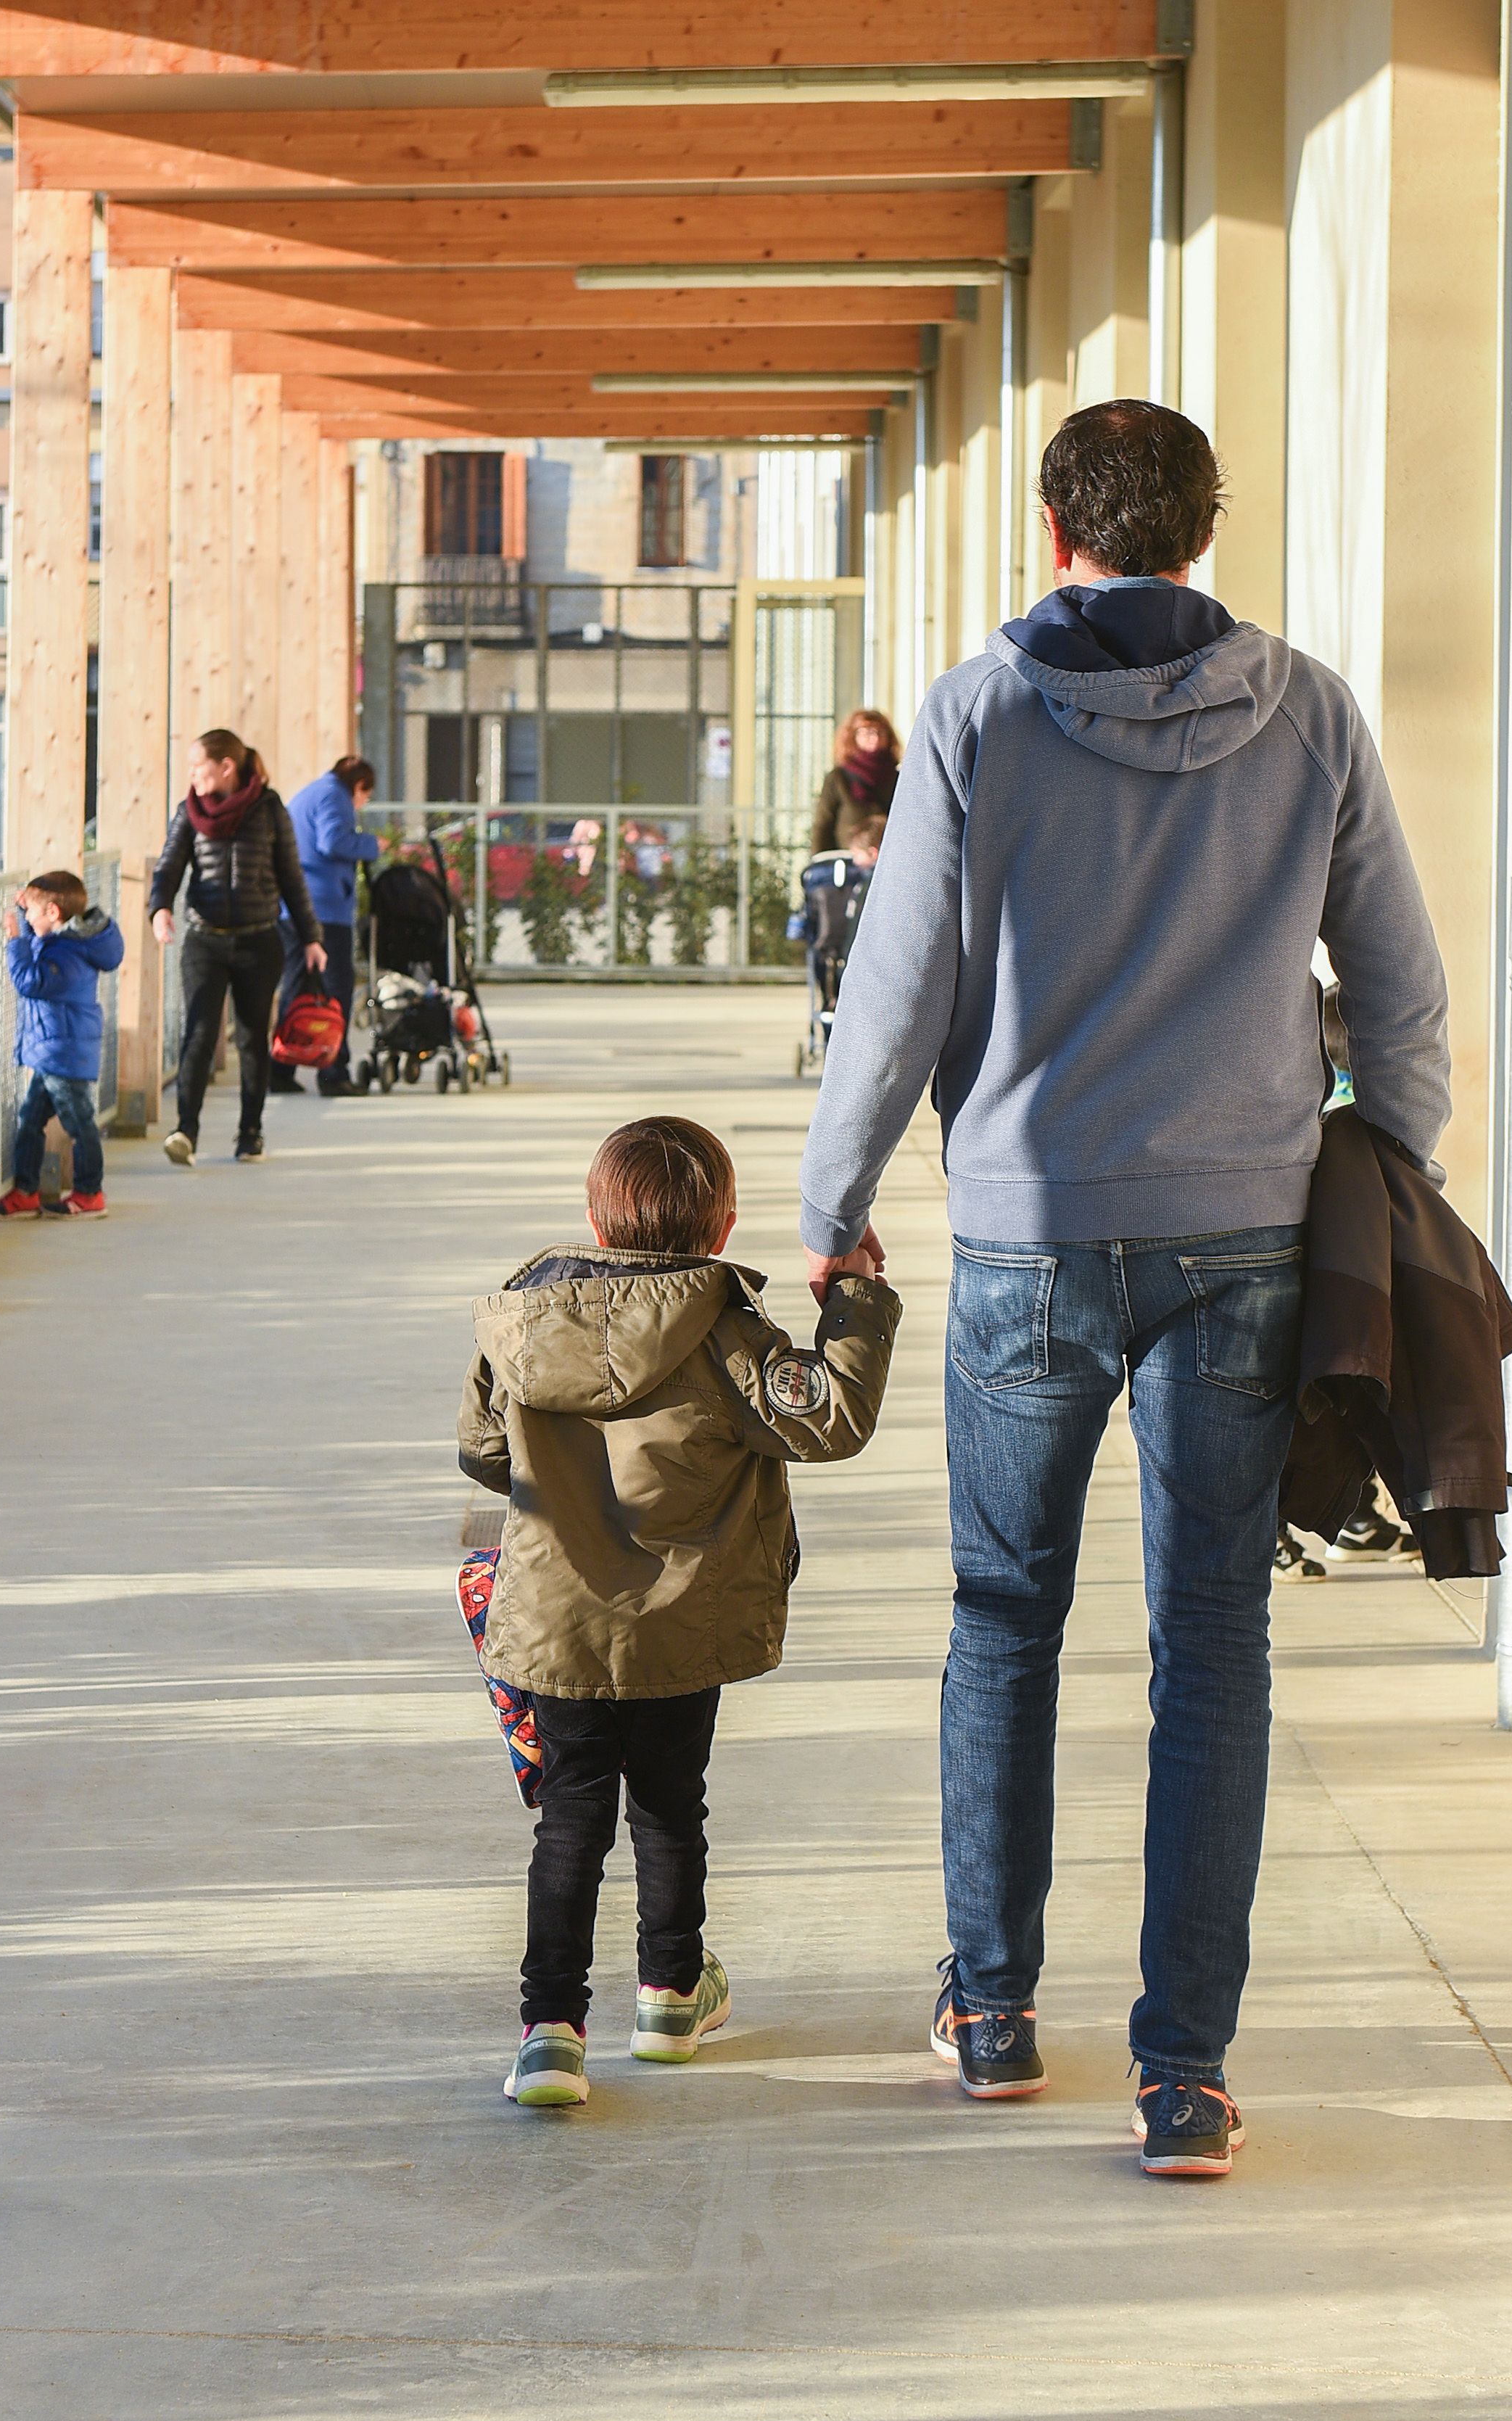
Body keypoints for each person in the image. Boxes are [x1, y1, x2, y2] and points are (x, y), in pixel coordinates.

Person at [798, 400, 1450, 2179]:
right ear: (1202, 528)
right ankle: (1183, 2074)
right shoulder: (1301, 706)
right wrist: (1389, 1162)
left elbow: (901, 979)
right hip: (1242, 1227)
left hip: (1022, 1226)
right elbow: (1394, 977)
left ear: (1048, 523)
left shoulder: (977, 711)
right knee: (1210, 1645)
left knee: (1001, 1616)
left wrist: (829, 1197)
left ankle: (991, 2009)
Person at [459, 1114, 900, 2109]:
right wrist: (855, 1299)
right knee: (668, 1805)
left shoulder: (526, 1319)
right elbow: (827, 1416)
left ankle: (551, 2033)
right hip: (682, 1622)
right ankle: (667, 1994)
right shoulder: (728, 1330)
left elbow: (483, 1449)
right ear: (724, 1224)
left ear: (593, 1217)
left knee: (570, 1817)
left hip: (557, 1622)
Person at [149, 730, 323, 1168]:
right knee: (200, 1034)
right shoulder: (187, 812)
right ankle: (185, 1131)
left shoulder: (268, 809)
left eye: (197, 767)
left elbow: (291, 878)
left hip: (259, 940)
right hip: (205, 940)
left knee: (251, 1039)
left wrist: (311, 937)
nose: (190, 776)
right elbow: (169, 866)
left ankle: (250, 1134)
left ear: (226, 766)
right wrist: (160, 908)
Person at [0, 870, 125, 1220]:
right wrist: (26, 928)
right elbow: (39, 947)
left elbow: (31, 981)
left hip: (62, 1055)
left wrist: (14, 941)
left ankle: (89, 1193)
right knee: (30, 1120)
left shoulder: (67, 956)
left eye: (31, 913)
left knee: (79, 1123)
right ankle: (26, 1191)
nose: (26, 917)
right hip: (52, 1052)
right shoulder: (63, 943)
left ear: (54, 914)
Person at [270, 754, 379, 1097]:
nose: (362, 805)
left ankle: (280, 1068)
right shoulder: (335, 797)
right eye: (366, 796)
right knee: (336, 988)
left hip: (294, 908)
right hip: (325, 910)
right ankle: (334, 1071)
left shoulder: (313, 792)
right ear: (359, 787)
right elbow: (332, 841)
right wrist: (371, 845)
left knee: (297, 986)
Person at [810, 707, 901, 858]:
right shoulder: (838, 778)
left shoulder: (898, 778)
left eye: (880, 732)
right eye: (867, 732)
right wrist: (820, 865)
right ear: (853, 737)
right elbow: (823, 825)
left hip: (890, 861)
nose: (875, 737)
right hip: (848, 865)